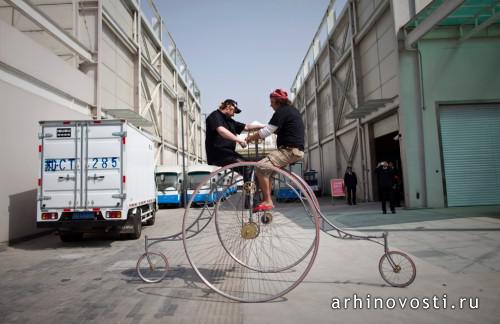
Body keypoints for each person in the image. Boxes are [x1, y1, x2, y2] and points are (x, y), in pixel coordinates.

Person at [245, 89, 305, 212]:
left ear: (278, 102)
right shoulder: (292, 111)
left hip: (289, 150)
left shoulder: (281, 112)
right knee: (268, 172)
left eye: (271, 102)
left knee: (261, 167)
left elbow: (266, 132)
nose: (270, 105)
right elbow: (277, 129)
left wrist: (250, 138)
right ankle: (266, 201)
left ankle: (267, 201)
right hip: (294, 150)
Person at [205, 99, 262, 167]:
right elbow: (221, 131)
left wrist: (264, 126)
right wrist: (239, 140)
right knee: (247, 166)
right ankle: (248, 177)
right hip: (218, 154)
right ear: (229, 107)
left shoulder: (229, 121)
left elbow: (247, 127)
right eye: (234, 111)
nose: (233, 115)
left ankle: (248, 177)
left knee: (249, 165)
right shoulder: (215, 115)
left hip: (228, 154)